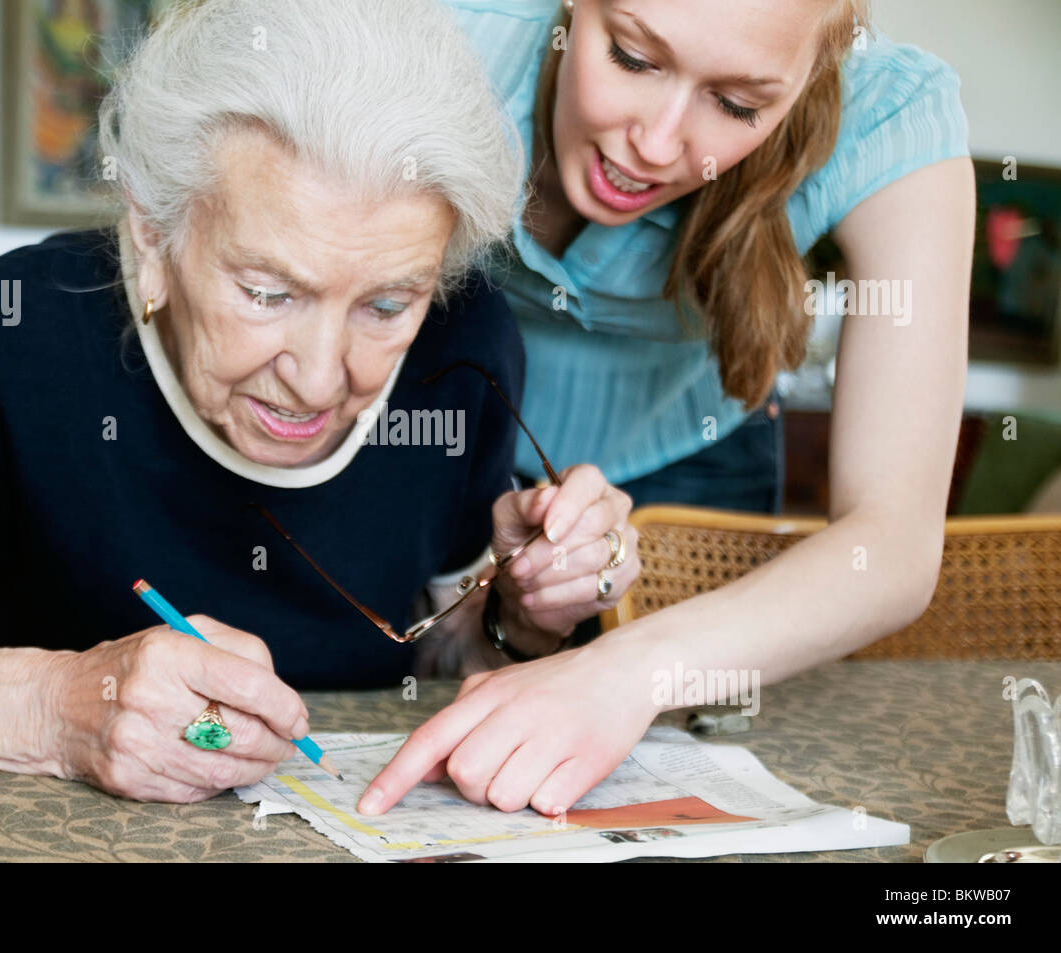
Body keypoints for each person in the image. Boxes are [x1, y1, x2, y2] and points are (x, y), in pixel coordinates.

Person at [0, 0, 637, 804]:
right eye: (267, 292)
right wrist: (47, 711)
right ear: (154, 237)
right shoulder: (24, 325)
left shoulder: (463, 343)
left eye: (385, 304)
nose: (323, 379)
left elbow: (441, 657)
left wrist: (520, 618)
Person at [359, 0, 974, 817]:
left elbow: (892, 545)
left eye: (737, 104)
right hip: (437, 428)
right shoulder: (441, 25)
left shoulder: (891, 113)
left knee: (674, 786)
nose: (652, 144)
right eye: (633, 58)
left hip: (695, 461)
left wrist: (629, 672)